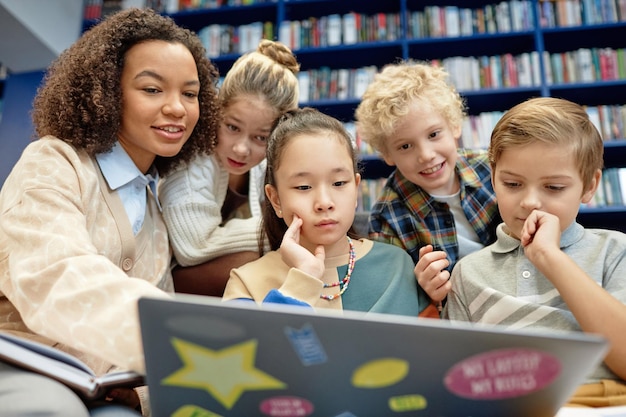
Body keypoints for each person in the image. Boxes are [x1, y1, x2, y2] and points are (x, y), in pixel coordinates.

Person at [0, 8, 221, 417]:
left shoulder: (154, 205)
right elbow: (58, 274)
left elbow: (159, 302)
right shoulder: (53, 162)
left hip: (97, 386)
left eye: (190, 94)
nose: (177, 108)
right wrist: (179, 336)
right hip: (21, 364)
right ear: (104, 91)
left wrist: (143, 396)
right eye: (153, 89)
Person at [443, 97, 626, 407]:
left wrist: (550, 259)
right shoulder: (468, 272)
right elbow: (455, 380)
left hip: (603, 401)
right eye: (513, 184)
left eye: (553, 188)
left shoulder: (614, 250)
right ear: (493, 177)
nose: (530, 202)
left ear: (590, 185)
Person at [223, 107, 430, 317]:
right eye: (303, 187)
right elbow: (254, 348)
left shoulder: (398, 265)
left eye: (339, 183)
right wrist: (301, 283)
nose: (324, 202)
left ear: (356, 187)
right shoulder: (246, 282)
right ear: (276, 199)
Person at [354, 60, 500, 311]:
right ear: (387, 154)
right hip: (460, 313)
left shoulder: (492, 168)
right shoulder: (387, 217)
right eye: (405, 146)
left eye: (433, 135)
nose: (426, 155)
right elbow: (399, 298)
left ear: (454, 125)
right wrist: (425, 291)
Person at [159, 39, 300, 297]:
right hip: (169, 283)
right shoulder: (194, 160)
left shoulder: (264, 167)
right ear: (216, 111)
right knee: (257, 260)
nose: (241, 149)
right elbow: (194, 247)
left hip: (214, 280)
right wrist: (281, 228)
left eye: (260, 138)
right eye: (232, 128)